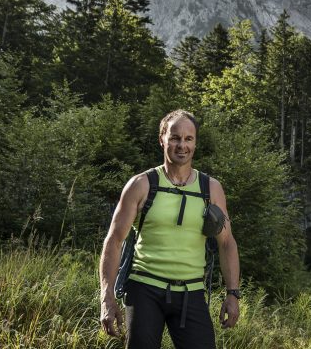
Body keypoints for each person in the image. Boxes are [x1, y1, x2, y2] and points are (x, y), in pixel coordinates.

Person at [99, 109, 241, 348]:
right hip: (144, 288)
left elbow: (226, 242)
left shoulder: (211, 189)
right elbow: (114, 240)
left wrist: (233, 294)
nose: (181, 145)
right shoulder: (141, 185)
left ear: (195, 143)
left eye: (188, 139)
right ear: (162, 139)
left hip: (191, 291)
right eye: (175, 138)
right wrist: (106, 296)